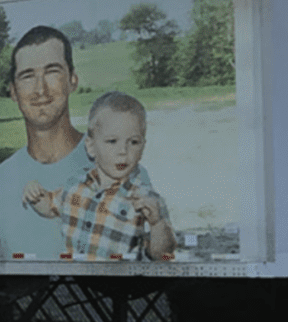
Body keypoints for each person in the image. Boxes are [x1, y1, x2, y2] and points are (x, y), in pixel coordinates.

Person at [0, 26, 92, 259]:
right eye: (27, 76)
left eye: (52, 71)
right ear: (13, 92)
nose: (40, 89)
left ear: (73, 80)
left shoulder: (112, 165)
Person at [23, 91, 177, 261]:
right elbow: (51, 207)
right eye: (112, 141)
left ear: (143, 147)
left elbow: (163, 254)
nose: (123, 152)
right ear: (91, 146)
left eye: (133, 142)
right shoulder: (76, 184)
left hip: (122, 281)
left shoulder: (146, 199)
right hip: (80, 277)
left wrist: (157, 224)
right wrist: (36, 196)